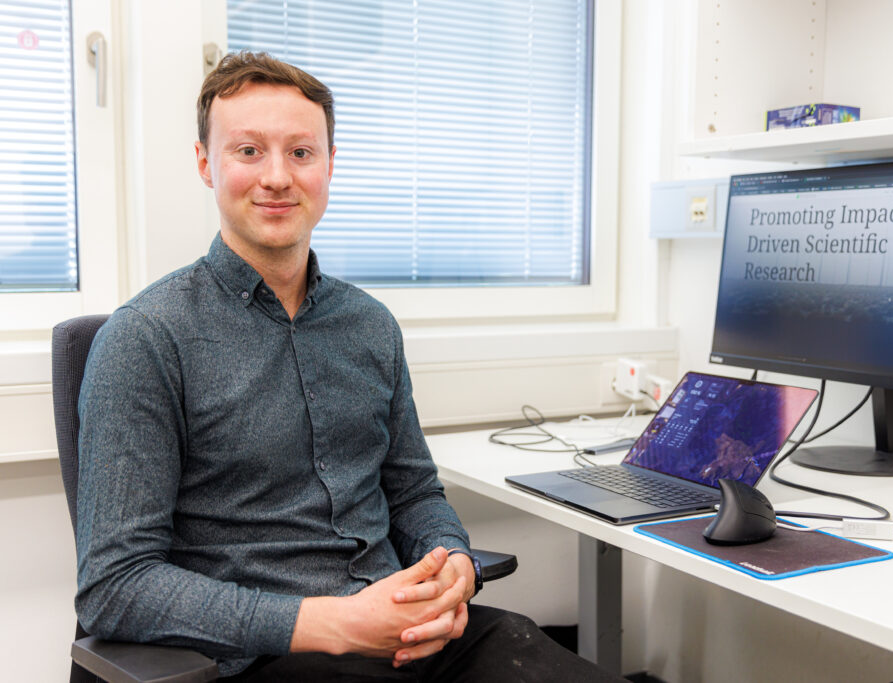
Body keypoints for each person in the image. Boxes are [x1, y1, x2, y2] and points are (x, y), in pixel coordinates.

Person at [74, 51, 626, 682]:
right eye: (248, 151)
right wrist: (336, 623)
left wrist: (452, 564)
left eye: (302, 153)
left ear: (330, 165)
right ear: (206, 163)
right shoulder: (145, 338)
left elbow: (414, 492)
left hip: (411, 631)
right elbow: (116, 586)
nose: (278, 176)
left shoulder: (369, 326)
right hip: (271, 656)